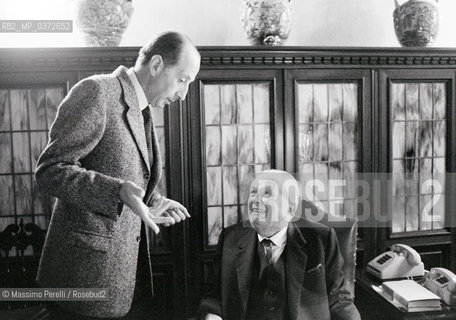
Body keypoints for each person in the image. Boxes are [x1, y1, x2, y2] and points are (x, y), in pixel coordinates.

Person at [35, 31, 201, 319]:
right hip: (80, 284)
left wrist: (151, 202)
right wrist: (117, 191)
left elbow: (120, 173)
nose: (183, 95)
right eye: (183, 80)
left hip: (119, 282)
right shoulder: (98, 92)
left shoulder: (143, 109)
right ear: (157, 64)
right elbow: (50, 170)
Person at [198, 170, 361, 320]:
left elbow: (339, 298)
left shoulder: (321, 239)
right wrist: (212, 316)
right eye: (253, 192)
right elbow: (214, 293)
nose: (256, 200)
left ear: (290, 209)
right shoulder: (230, 238)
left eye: (267, 194)